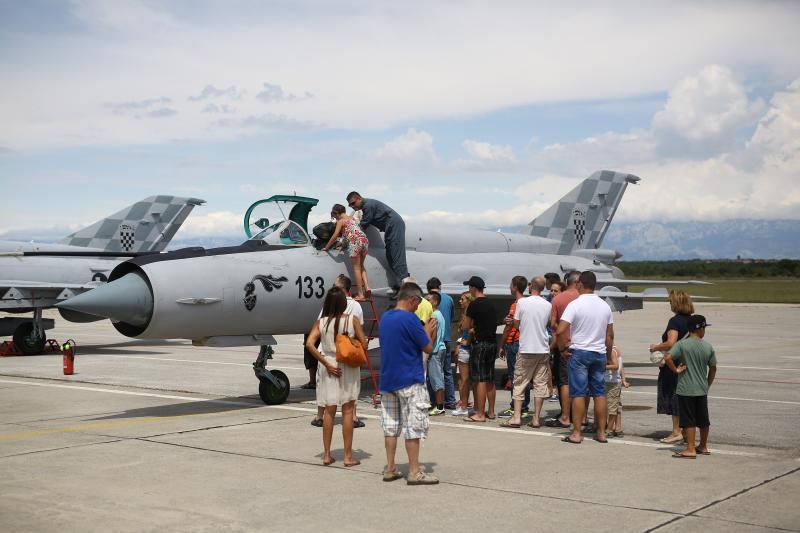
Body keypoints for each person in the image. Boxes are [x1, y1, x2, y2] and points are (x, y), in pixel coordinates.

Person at [378, 282, 439, 484]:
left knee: (390, 426)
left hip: (388, 380)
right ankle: (414, 471)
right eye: (418, 302)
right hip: (409, 379)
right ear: (412, 299)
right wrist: (429, 330)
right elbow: (428, 348)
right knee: (413, 426)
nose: (417, 307)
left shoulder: (385, 317)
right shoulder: (410, 319)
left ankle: (390, 467)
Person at [305, 287, 368, 466]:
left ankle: (326, 454)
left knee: (329, 411)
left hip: (329, 365)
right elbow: (363, 343)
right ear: (343, 303)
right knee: (348, 410)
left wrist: (325, 362)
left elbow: (309, 344)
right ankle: (348, 456)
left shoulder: (321, 322)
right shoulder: (352, 320)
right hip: (347, 365)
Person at [556, 271, 614, 444]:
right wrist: (609, 357)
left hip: (579, 352)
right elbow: (609, 336)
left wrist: (561, 349)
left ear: (580, 284)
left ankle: (576, 433)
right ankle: (602, 432)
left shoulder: (575, 304)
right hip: (599, 353)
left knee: (579, 393)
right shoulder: (605, 306)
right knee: (599, 393)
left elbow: (560, 330)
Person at [310, 275, 367, 429]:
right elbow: (360, 335)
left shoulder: (325, 311)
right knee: (349, 394)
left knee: (326, 395)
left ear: (343, 289)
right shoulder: (356, 307)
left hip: (327, 356)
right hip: (347, 356)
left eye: (335, 286)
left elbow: (311, 340)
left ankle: (319, 416)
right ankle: (353, 417)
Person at [500, 276, 552, 429]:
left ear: (531, 286)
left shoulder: (522, 302)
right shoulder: (547, 304)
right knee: (540, 384)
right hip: (542, 348)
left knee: (520, 382)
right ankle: (536, 418)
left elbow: (516, 323)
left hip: (526, 348)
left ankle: (516, 417)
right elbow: (547, 323)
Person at [664, 315, 717, 459]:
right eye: (704, 327)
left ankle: (690, 448)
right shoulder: (708, 346)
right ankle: (703, 446)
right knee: (703, 419)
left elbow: (667, 357)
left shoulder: (682, 344)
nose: (705, 330)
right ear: (699, 329)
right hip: (701, 388)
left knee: (689, 420)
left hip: (686, 389)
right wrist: (707, 383)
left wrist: (676, 370)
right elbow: (713, 367)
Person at [649, 290, 694, 444]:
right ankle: (685, 431)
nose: (669, 304)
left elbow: (671, 343)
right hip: (688, 363)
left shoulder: (675, 321)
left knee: (673, 395)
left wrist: (656, 347)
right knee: (684, 397)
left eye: (670, 302)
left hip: (673, 365)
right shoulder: (692, 321)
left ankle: (676, 431)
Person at [345, 192, 410, 285]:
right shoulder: (365, 206)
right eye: (350, 205)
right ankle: (400, 285)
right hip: (390, 227)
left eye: (353, 203)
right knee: (390, 254)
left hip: (394, 225)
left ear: (359, 198)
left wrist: (350, 230)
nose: (352, 206)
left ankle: (407, 285)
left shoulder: (368, 206)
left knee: (396, 254)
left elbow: (365, 223)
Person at [545, 271, 580, 428]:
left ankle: (566, 416)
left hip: (565, 346)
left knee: (564, 382)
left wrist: (560, 342)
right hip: (584, 347)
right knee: (581, 383)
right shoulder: (587, 299)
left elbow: (553, 325)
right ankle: (582, 417)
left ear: (567, 281)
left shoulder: (558, 299)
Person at [462, 276, 497, 423]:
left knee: (480, 379)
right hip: (492, 343)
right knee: (489, 378)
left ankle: (480, 413)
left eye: (469, 287)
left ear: (473, 288)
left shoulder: (474, 305)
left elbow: (465, 326)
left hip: (480, 344)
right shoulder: (491, 303)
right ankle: (491, 411)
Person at [323, 204, 371, 300]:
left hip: (355, 241)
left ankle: (361, 294)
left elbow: (335, 236)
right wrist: (342, 246)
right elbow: (348, 235)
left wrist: (327, 247)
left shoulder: (341, 221)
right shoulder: (352, 219)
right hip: (364, 240)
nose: (335, 219)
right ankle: (367, 287)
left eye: (335, 216)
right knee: (361, 266)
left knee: (356, 268)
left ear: (337, 213)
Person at [498, 276, 530, 418]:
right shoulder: (527, 303)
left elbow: (509, 326)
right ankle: (524, 406)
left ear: (516, 287)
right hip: (522, 342)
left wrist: (502, 345)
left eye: (511, 285)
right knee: (524, 376)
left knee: (514, 376)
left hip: (514, 343)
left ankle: (516, 407)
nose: (509, 287)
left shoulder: (516, 304)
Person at [427, 277, 456, 409]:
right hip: (446, 340)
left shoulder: (432, 311)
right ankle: (450, 400)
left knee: (434, 375)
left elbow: (432, 333)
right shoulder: (449, 299)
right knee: (447, 372)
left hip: (435, 345)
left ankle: (436, 403)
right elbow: (451, 317)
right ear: (440, 286)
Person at [452, 292, 475, 417]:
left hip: (466, 349)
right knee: (461, 379)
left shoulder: (470, 315)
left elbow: (471, 330)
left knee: (465, 379)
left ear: (468, 301)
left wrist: (463, 342)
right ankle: (463, 403)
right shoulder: (465, 314)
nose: (460, 301)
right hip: (463, 348)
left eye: (462, 299)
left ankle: (465, 406)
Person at [426, 291, 447, 415]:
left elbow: (433, 336)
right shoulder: (440, 314)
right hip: (441, 348)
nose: (427, 302)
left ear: (434, 302)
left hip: (435, 351)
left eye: (428, 300)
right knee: (439, 377)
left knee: (436, 379)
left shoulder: (434, 315)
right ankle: (438, 405)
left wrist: (428, 351)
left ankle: (439, 407)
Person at [604, 345, 629, 438]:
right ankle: (618, 429)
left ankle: (609, 429)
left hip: (611, 383)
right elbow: (621, 367)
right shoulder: (616, 349)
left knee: (611, 407)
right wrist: (623, 379)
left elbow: (616, 366)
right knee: (616, 406)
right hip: (615, 382)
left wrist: (602, 366)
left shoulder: (610, 351)